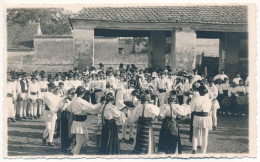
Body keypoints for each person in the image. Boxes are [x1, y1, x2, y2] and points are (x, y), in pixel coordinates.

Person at [66, 86, 104, 155]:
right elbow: (92, 108)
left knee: (86, 139)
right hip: (79, 122)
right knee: (80, 142)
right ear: (83, 94)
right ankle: (75, 156)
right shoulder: (81, 101)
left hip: (79, 122)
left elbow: (69, 108)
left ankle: (72, 151)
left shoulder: (74, 100)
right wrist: (100, 103)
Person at [158, 90, 191, 154]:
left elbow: (161, 116)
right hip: (173, 123)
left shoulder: (165, 106)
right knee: (173, 138)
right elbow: (184, 113)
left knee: (164, 137)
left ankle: (164, 152)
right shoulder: (178, 107)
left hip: (166, 123)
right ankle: (173, 152)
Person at [128, 90, 160, 154]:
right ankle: (147, 151)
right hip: (147, 124)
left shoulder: (139, 106)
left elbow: (133, 116)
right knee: (147, 137)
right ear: (148, 100)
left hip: (140, 124)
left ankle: (140, 150)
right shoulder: (151, 107)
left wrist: (134, 121)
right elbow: (158, 113)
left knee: (139, 136)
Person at [190, 85, 212, 154]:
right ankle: (203, 151)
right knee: (205, 135)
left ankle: (194, 149)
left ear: (199, 92)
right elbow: (209, 109)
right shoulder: (208, 100)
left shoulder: (196, 99)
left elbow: (192, 109)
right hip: (205, 117)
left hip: (197, 117)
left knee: (195, 134)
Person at [42, 82, 65, 147]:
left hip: (53, 112)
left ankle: (50, 141)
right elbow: (51, 103)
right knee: (48, 128)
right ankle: (44, 137)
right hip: (47, 112)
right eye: (52, 88)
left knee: (52, 128)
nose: (52, 89)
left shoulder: (54, 95)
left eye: (53, 88)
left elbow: (57, 102)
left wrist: (62, 100)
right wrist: (58, 100)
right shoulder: (46, 94)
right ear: (49, 88)